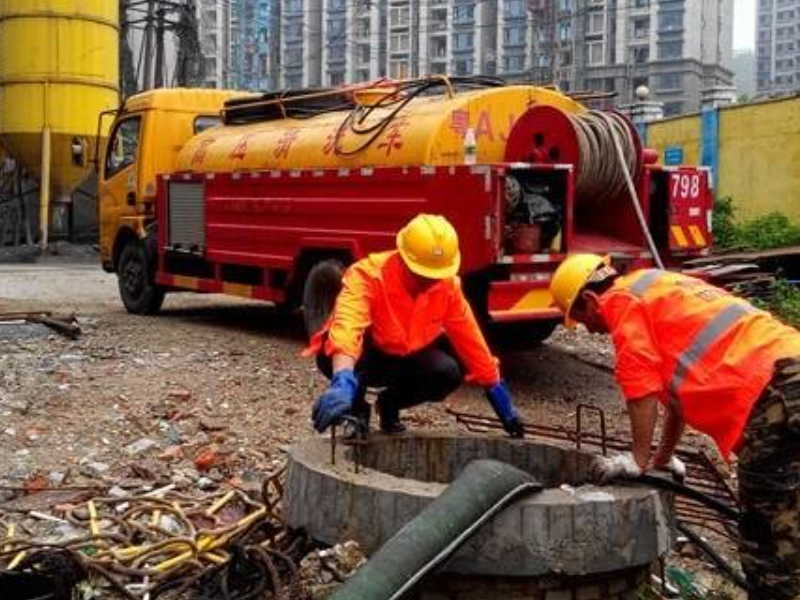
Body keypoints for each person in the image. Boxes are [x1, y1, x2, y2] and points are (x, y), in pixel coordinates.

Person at [549, 253, 800, 600]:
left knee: (769, 538)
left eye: (580, 318)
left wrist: (637, 460)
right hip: (789, 366)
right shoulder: (655, 286)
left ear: (591, 299)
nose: (589, 329)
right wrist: (662, 457)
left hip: (772, 395)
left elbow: (640, 389)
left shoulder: (622, 304)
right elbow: (675, 399)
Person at [305, 214, 523, 438]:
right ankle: (357, 409)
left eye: (434, 276)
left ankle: (390, 404)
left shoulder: (447, 287)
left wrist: (500, 399)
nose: (429, 282)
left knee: (447, 373)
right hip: (370, 356)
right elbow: (347, 327)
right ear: (402, 258)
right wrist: (342, 380)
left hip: (406, 356)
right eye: (421, 275)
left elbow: (472, 342)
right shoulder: (368, 275)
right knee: (328, 353)